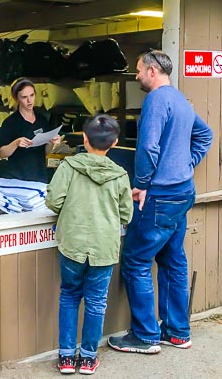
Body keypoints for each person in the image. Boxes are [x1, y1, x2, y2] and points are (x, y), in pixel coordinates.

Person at [108, 49, 213, 354]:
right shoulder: (180, 98)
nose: (137, 75)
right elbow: (205, 135)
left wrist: (141, 184)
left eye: (139, 70)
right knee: (173, 260)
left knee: (136, 261)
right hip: (182, 193)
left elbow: (148, 148)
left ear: (152, 71)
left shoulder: (154, 100)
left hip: (159, 196)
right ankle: (177, 333)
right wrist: (184, 164)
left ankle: (145, 336)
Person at [46, 114, 133, 375]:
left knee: (70, 296)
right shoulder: (120, 176)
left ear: (84, 138)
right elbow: (126, 214)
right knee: (96, 302)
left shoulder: (69, 167)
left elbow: (53, 202)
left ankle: (65, 357)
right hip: (103, 248)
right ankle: (87, 358)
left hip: (72, 244)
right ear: (115, 143)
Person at [0, 78, 60, 183]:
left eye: (32, 95)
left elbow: (45, 152)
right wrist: (16, 143)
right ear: (17, 98)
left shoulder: (42, 119)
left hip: (39, 176)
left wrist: (52, 142)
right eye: (24, 97)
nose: (29, 101)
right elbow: (2, 153)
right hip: (18, 178)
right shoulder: (10, 122)